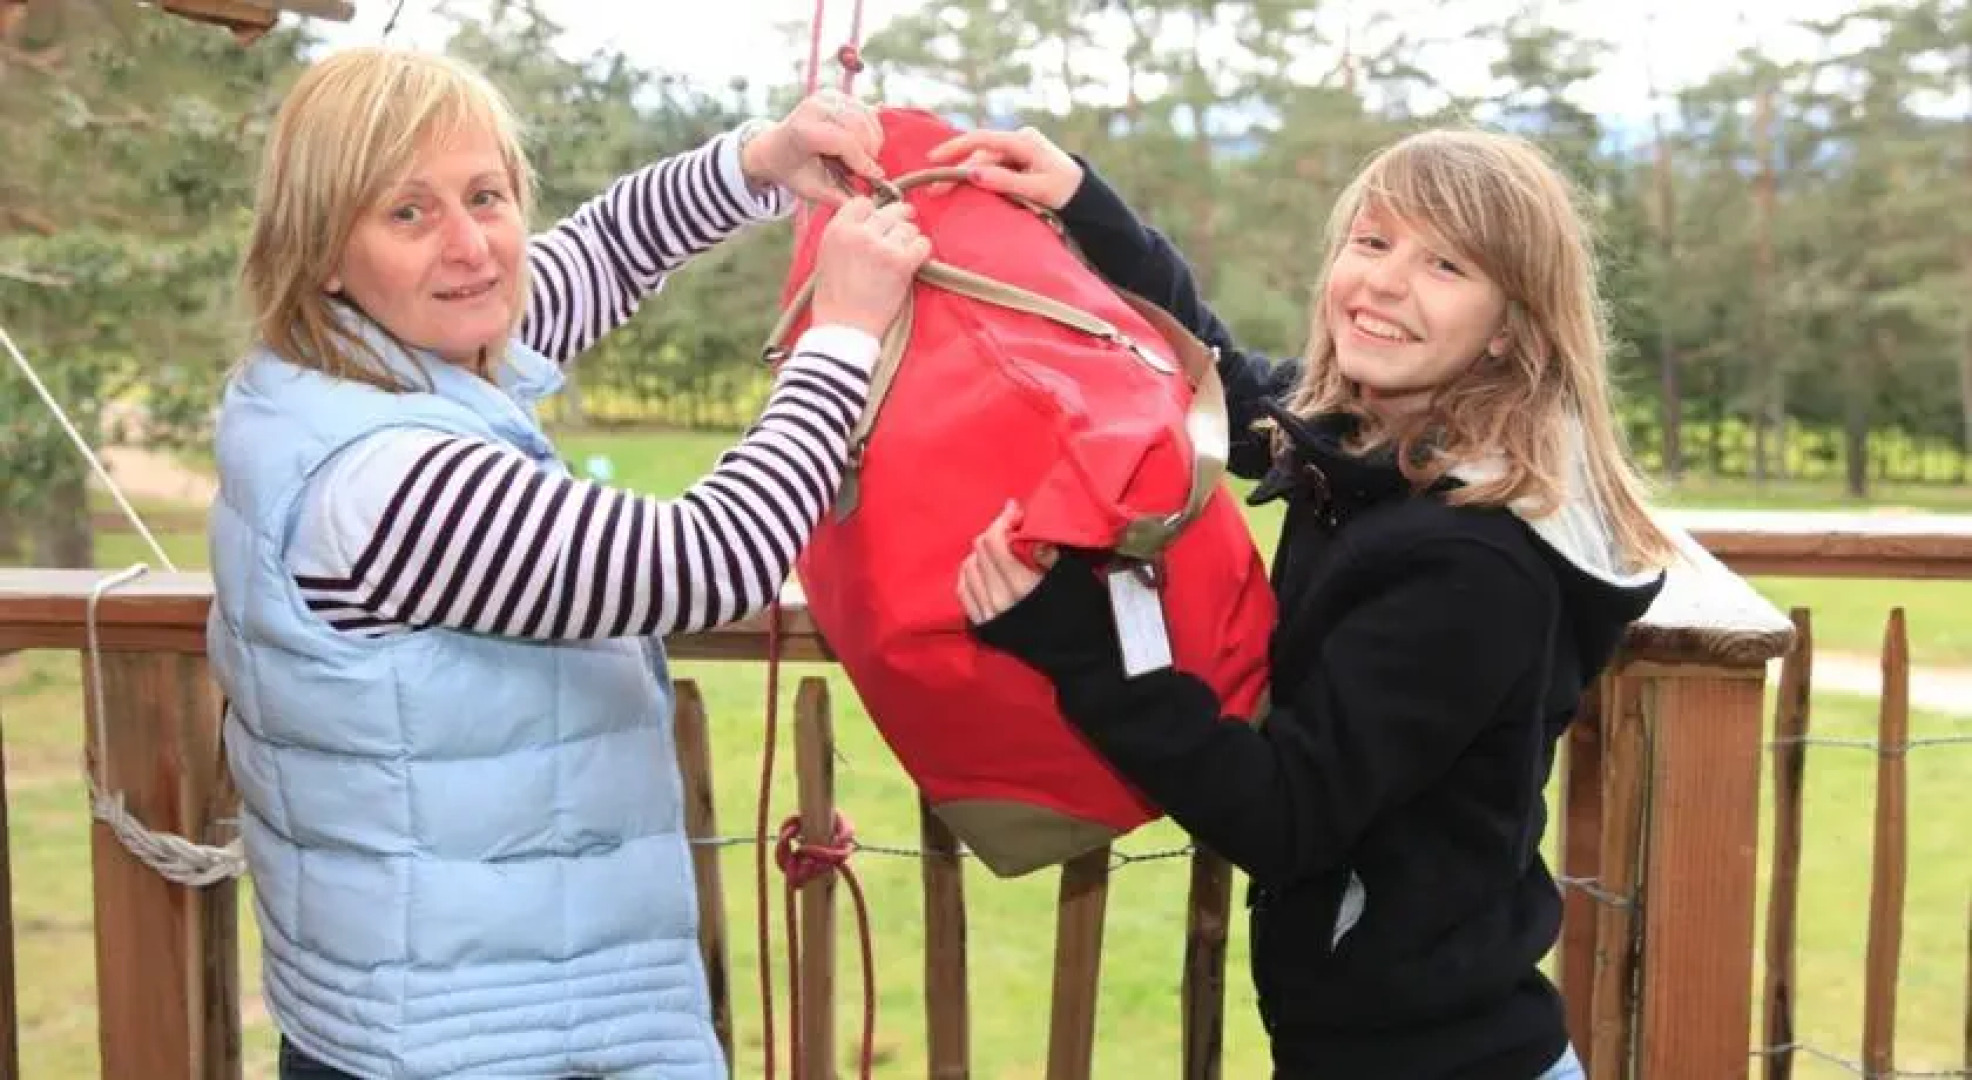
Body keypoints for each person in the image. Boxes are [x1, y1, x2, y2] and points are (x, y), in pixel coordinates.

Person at [206, 47, 928, 1080]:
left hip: (435, 1016)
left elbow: (595, 253)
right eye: (407, 213)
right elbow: (704, 561)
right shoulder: (385, 481)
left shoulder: (337, 368)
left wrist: (761, 162)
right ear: (324, 246)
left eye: (486, 196)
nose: (473, 246)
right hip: (492, 1040)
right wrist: (843, 337)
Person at [937, 125, 1678, 1079]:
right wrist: (1086, 205)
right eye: (1372, 243)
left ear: (1511, 326)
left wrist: (1078, 646)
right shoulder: (1372, 445)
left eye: (1445, 264)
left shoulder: (1471, 563)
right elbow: (1224, 385)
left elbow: (1286, 816)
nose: (1383, 284)